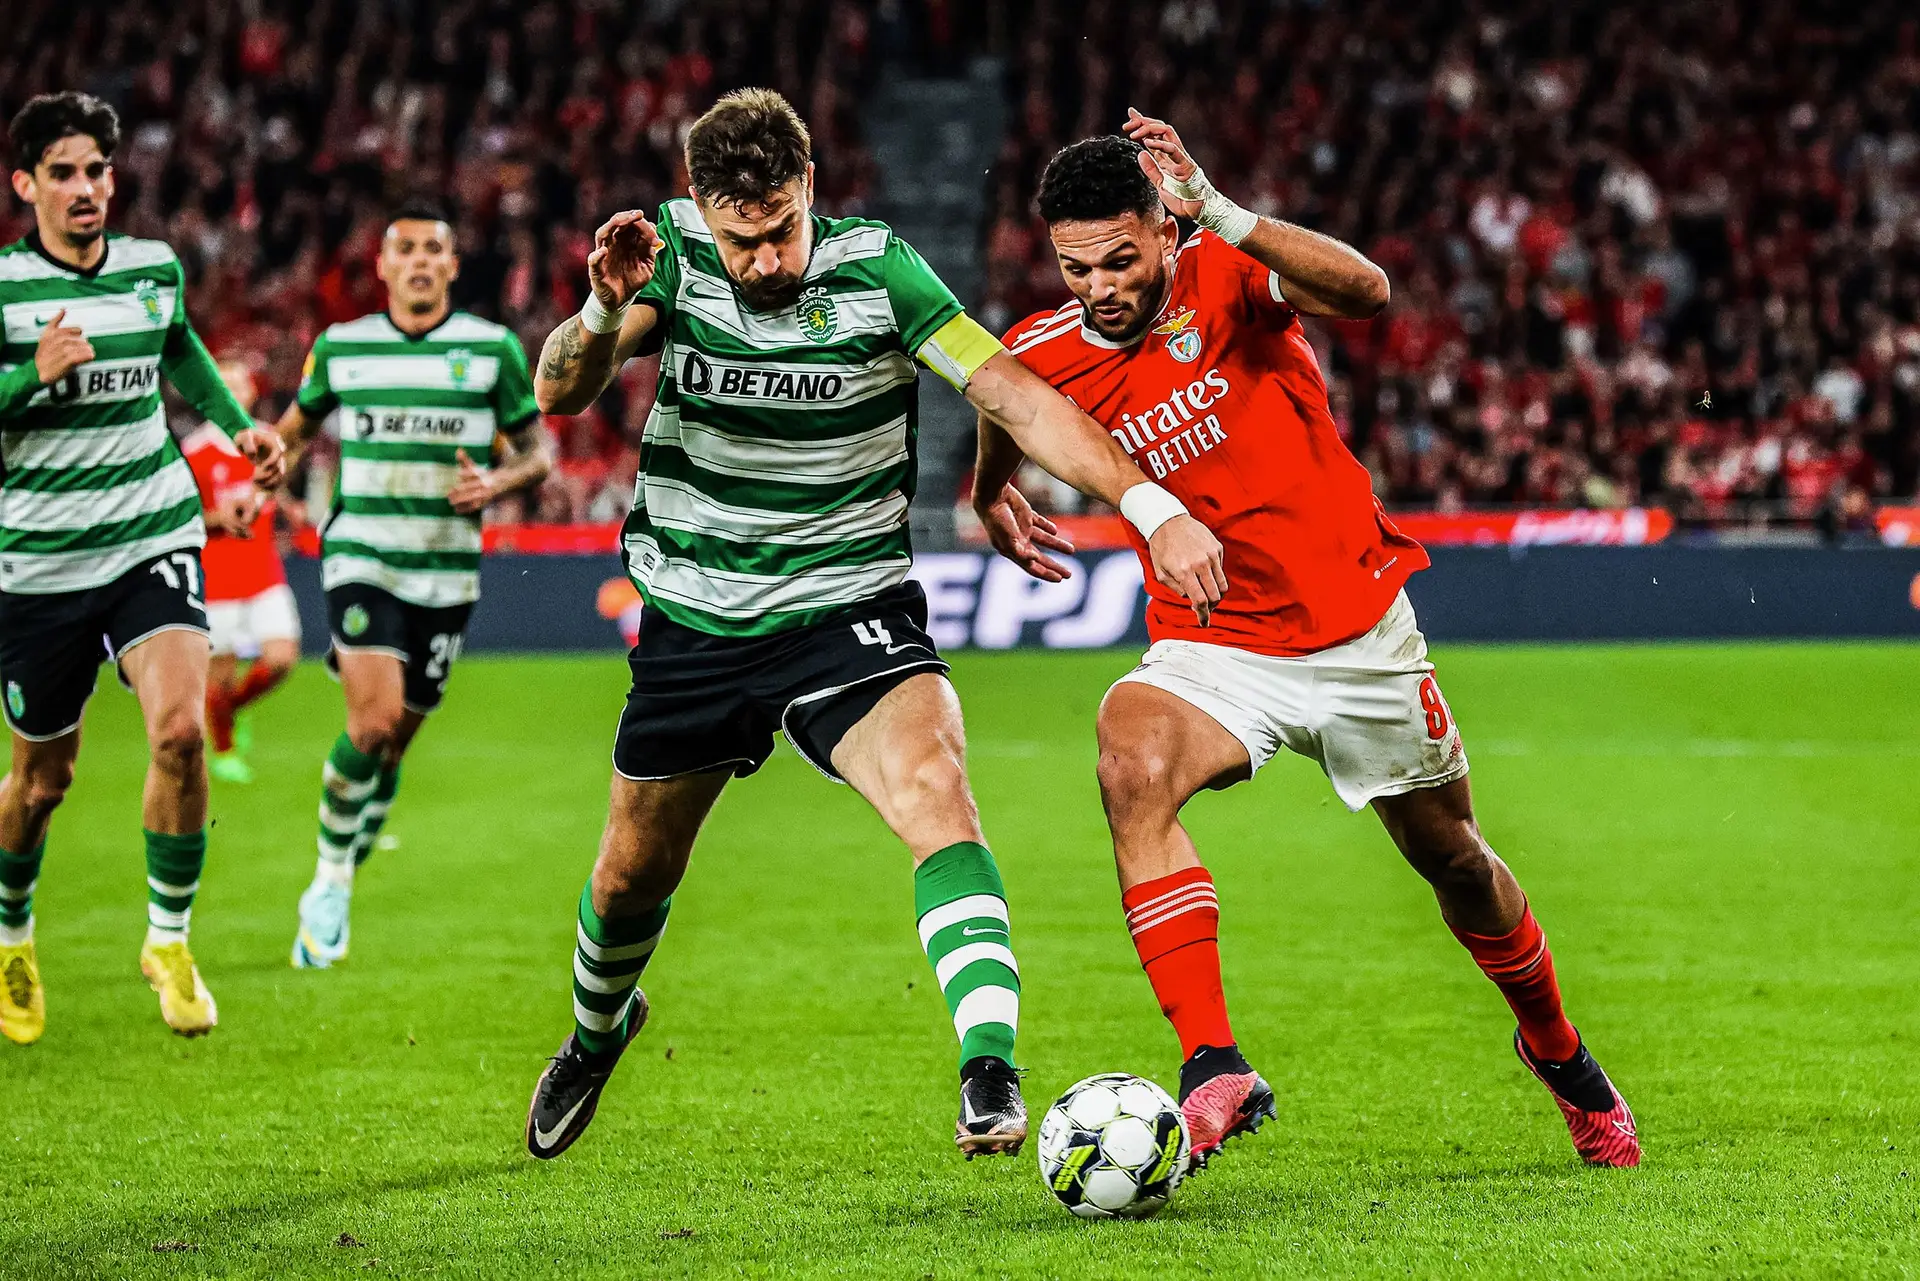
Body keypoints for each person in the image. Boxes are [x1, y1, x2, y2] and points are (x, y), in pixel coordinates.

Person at [523, 88, 1226, 1162]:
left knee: (938, 789)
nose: (762, 261)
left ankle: (989, 1068)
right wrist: (595, 310)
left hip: (847, 605)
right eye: (740, 239)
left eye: (780, 230)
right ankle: (594, 1032)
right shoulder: (659, 253)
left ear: (809, 188)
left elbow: (1017, 395)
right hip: (696, 617)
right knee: (630, 873)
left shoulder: (879, 269)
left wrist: (1150, 505)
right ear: (703, 210)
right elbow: (560, 394)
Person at [982, 115, 1640, 1170]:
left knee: (1454, 862)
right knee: (1128, 754)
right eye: (1076, 267)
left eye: (1120, 258)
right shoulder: (1047, 346)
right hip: (1217, 643)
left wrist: (1228, 216)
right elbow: (1004, 399)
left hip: (1356, 632)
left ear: (1163, 229)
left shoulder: (1228, 274)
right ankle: (1211, 1062)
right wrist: (989, 492)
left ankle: (1562, 1056)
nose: (1100, 285)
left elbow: (1369, 291)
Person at [0, 92, 285, 1043]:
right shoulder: (5, 288)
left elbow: (181, 353)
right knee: (42, 782)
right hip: (39, 559)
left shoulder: (149, 268)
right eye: (66, 172)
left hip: (150, 532)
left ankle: (168, 939)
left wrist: (240, 427)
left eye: (99, 171)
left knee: (179, 735)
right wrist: (26, 378)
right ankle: (12, 930)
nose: (87, 188)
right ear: (26, 183)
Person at [273, 202, 551, 970]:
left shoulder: (491, 349)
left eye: (436, 248)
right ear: (384, 267)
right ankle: (329, 883)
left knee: (397, 734)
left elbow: (539, 455)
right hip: (363, 552)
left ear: (453, 266)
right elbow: (293, 430)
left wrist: (497, 481)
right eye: (407, 249)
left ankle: (372, 792)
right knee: (372, 723)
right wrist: (271, 467)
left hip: (446, 566)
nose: (422, 260)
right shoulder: (342, 349)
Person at [183, 361, 300, 785]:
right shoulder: (196, 450)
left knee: (282, 658)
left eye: (239, 384)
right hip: (217, 574)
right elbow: (184, 512)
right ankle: (226, 750)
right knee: (221, 670)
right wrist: (218, 517)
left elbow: (270, 485)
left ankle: (231, 708)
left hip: (263, 569)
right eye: (223, 384)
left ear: (252, 391)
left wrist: (286, 506)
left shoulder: (268, 439)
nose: (232, 392)